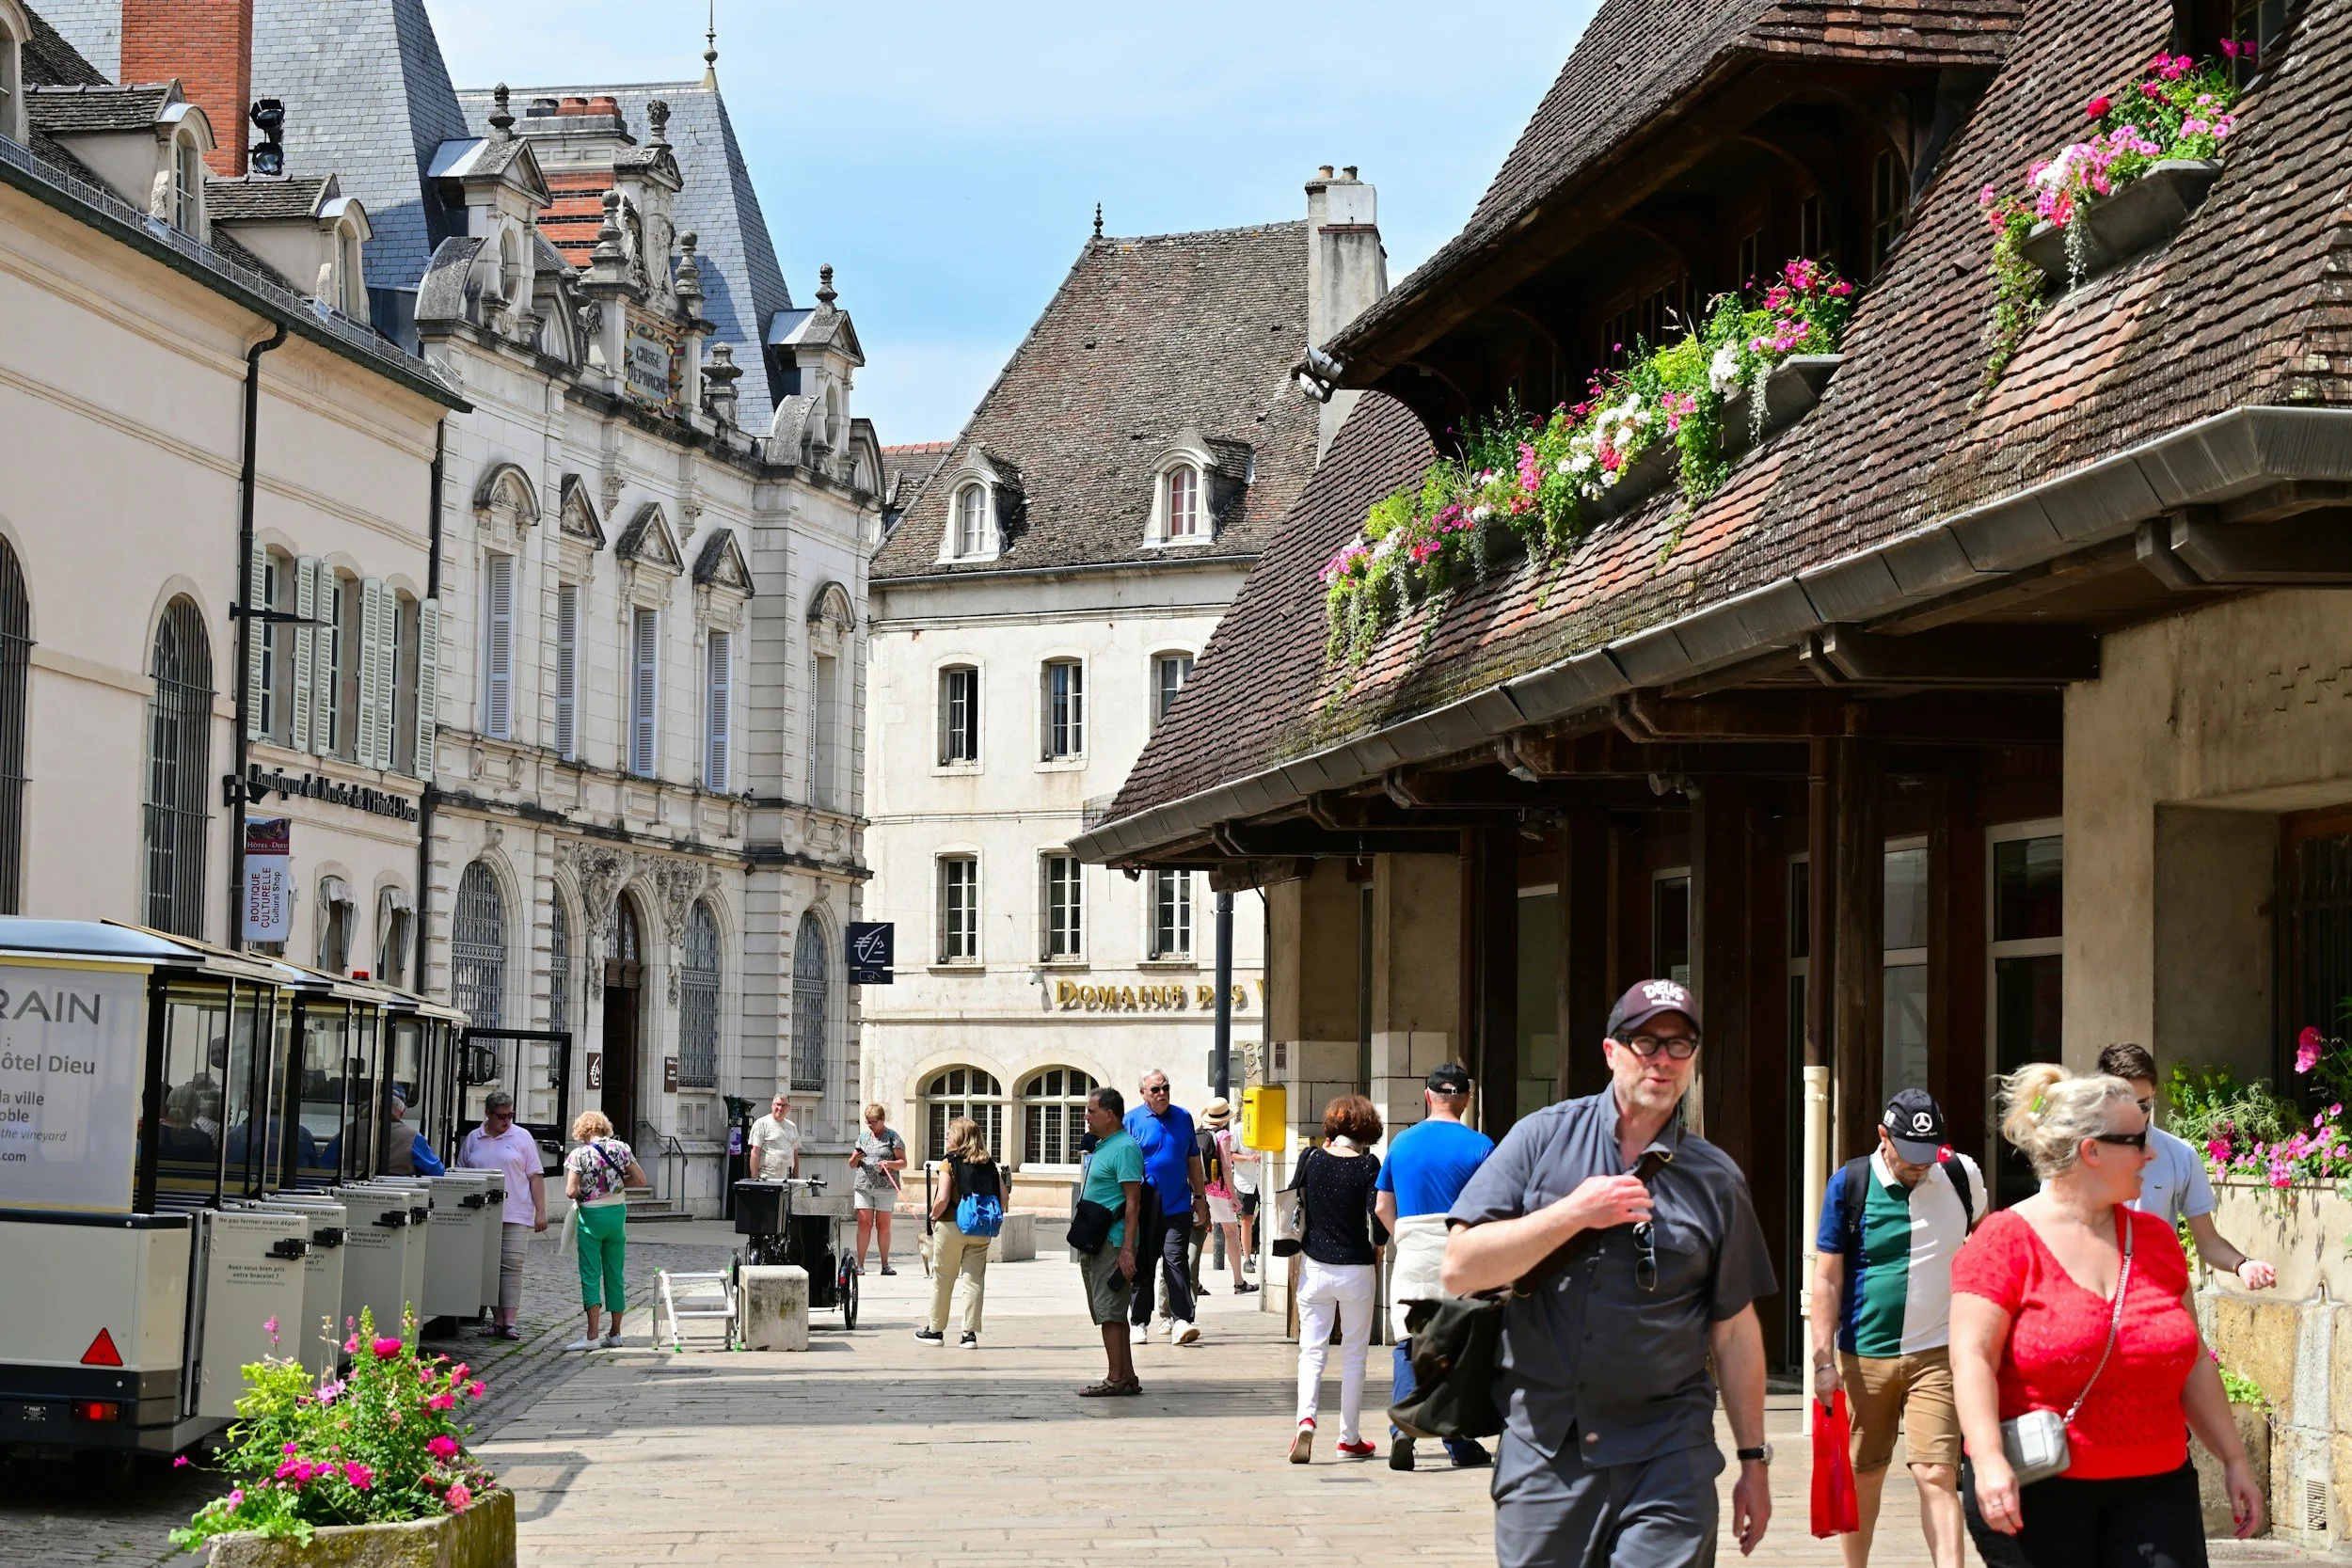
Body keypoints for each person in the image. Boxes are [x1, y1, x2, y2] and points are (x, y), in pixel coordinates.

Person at [1443, 979, 1777, 1568]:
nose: (1663, 1059)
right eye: (1645, 1041)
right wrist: (1572, 1214)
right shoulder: (1541, 1138)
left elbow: (1735, 1330)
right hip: (1548, 1447)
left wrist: (1754, 1461)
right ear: (1610, 1051)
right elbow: (1461, 1268)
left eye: (1680, 1045)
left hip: (1669, 1451)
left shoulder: (1716, 1179)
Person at [1950, 1063, 2265, 1568]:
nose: (2152, 1152)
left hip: (2158, 1488)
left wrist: (2233, 1460)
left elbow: (2194, 1362)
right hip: (2039, 1490)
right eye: (2137, 1140)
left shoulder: (2158, 1241)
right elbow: (1971, 1360)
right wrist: (1986, 1460)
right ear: (2090, 1151)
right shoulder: (2002, 1241)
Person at [1810, 1090, 1986, 1568]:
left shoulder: (1960, 1174)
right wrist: (1822, 1361)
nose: (1920, 1166)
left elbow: (1984, 1251)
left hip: (1939, 1352)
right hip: (1866, 1354)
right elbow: (1827, 1277)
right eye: (1911, 1156)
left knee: (1937, 1472)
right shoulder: (1850, 1183)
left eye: (1928, 1155)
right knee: (1865, 1472)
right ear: (1883, 1137)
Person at [1376, 1063, 1497, 1471]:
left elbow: (1381, 1206)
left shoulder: (1401, 1143)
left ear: (1428, 1096)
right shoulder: (1481, 1145)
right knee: (1459, 1347)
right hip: (1460, 1252)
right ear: (1465, 1099)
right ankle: (1458, 1443)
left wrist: (1404, 1238)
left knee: (1409, 1345)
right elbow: (1493, 1209)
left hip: (1412, 1251)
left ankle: (1403, 1430)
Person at [2094, 1042, 2276, 1290]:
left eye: (2144, 1105)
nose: (2136, 1116)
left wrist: (2242, 1264)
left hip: (2154, 1295)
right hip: (2093, 1296)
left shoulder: (2179, 1154)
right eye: (2124, 1103)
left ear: (2154, 1094)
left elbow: (2207, 1240)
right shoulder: (2076, 1154)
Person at [1288, 1094, 1388, 1465]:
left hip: (1314, 1266)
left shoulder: (1311, 1160)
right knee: (1354, 1356)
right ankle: (1349, 1438)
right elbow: (1377, 1219)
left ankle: (1306, 1420)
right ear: (1366, 1130)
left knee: (1311, 1351)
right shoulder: (1368, 1167)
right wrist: (1379, 1250)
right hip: (1357, 1269)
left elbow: (1294, 1200)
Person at [1124, 1069, 1207, 1346]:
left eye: (1165, 1088)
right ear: (1143, 1094)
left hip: (1178, 1204)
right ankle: (1138, 1321)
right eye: (1155, 1090)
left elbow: (1193, 1160)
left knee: (1176, 1259)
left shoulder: (1183, 1117)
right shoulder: (1131, 1121)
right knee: (1144, 1264)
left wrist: (1200, 1199)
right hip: (1144, 1205)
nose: (1162, 1094)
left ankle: (1183, 1319)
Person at [458, 1092, 548, 1342]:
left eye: (511, 1115)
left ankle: (510, 1321)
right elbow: (462, 1173)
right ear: (487, 1113)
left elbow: (535, 1176)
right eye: (501, 1116)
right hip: (481, 1213)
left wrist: (541, 1211)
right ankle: (495, 1320)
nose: (507, 1121)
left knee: (512, 1264)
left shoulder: (522, 1137)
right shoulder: (474, 1138)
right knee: (488, 1266)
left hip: (515, 1211)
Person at [1074, 1086, 1145, 1397]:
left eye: (1091, 1111)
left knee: (1110, 1314)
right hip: (1095, 1241)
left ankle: (1115, 1378)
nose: (1085, 1116)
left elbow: (1133, 1202)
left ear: (1109, 1114)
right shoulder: (1103, 1145)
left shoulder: (1125, 1148)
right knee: (1110, 1312)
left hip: (1114, 1243)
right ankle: (1126, 1375)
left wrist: (1127, 1250)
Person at [563, 1110, 646, 1351]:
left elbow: (571, 1190)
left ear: (582, 1131)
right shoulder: (622, 1148)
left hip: (591, 1215)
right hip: (617, 1214)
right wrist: (614, 1186)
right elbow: (640, 1180)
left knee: (590, 1274)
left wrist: (588, 1191)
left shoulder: (579, 1154)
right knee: (615, 1273)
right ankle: (616, 1333)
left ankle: (591, 1336)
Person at [917, 1117, 1000, 1350]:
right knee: (973, 1281)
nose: (946, 1136)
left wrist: (933, 1216)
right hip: (980, 1228)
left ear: (961, 1138)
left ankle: (935, 1330)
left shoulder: (949, 1163)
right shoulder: (989, 1164)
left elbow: (943, 1198)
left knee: (943, 1279)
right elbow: (1003, 1197)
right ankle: (969, 1335)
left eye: (950, 1133)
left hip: (952, 1225)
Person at [1200, 1098, 1254, 1293]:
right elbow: (1225, 1166)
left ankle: (1194, 1281)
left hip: (1201, 1190)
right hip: (1220, 1190)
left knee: (1197, 1234)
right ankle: (1239, 1282)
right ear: (1225, 1117)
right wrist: (1233, 1196)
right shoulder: (1223, 1134)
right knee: (1231, 1234)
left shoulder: (1199, 1131)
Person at [850, 1102, 907, 1275]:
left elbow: (903, 1163)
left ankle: (885, 1265)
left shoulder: (892, 1137)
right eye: (868, 1122)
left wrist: (888, 1163)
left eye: (874, 1121)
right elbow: (852, 1163)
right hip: (863, 1186)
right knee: (863, 1223)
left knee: (883, 1225)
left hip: (885, 1187)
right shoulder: (864, 1137)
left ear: (882, 1119)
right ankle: (860, 1265)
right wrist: (855, 1159)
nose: (871, 1125)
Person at [747, 1092, 800, 1182]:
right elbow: (755, 1152)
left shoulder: (792, 1126)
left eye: (784, 1105)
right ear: (772, 1105)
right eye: (778, 1104)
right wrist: (754, 1178)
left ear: (789, 1108)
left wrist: (796, 1177)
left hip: (787, 1180)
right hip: (766, 1179)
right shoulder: (762, 1123)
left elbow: (795, 1153)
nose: (780, 1108)